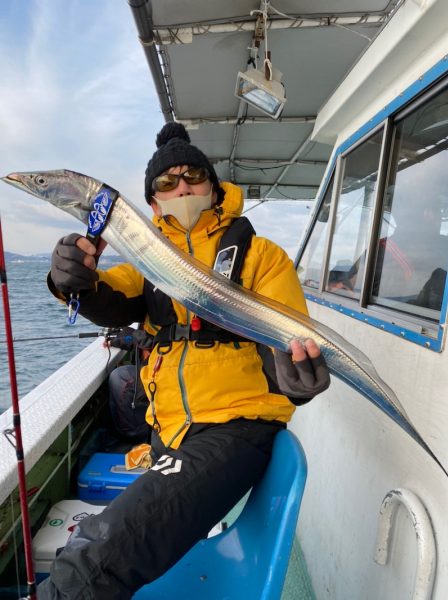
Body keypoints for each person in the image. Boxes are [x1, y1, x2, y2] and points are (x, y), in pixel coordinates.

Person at [39, 123, 330, 599]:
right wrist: (70, 277)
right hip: (168, 430)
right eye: (166, 183)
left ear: (213, 186)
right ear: (152, 203)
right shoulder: (148, 257)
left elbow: (289, 340)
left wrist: (296, 378)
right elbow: (108, 296)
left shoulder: (261, 256)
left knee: (93, 558)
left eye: (192, 175)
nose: (182, 187)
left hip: (234, 429)